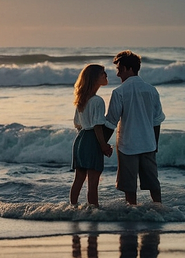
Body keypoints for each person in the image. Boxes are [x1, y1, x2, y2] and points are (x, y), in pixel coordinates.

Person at [105, 50, 165, 205]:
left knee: (129, 186)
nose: (118, 74)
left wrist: (102, 144)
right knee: (153, 182)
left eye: (119, 70)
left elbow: (111, 121)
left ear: (128, 68)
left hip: (127, 145)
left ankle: (132, 214)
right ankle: (159, 210)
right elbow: (156, 121)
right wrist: (155, 144)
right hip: (148, 144)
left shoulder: (119, 92)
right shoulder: (151, 90)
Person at [70, 64, 113, 207]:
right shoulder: (97, 101)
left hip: (80, 139)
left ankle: (73, 208)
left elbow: (77, 123)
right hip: (92, 139)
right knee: (93, 182)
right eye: (103, 73)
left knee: (79, 179)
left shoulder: (81, 100)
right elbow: (97, 126)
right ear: (94, 78)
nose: (106, 75)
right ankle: (94, 212)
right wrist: (103, 145)